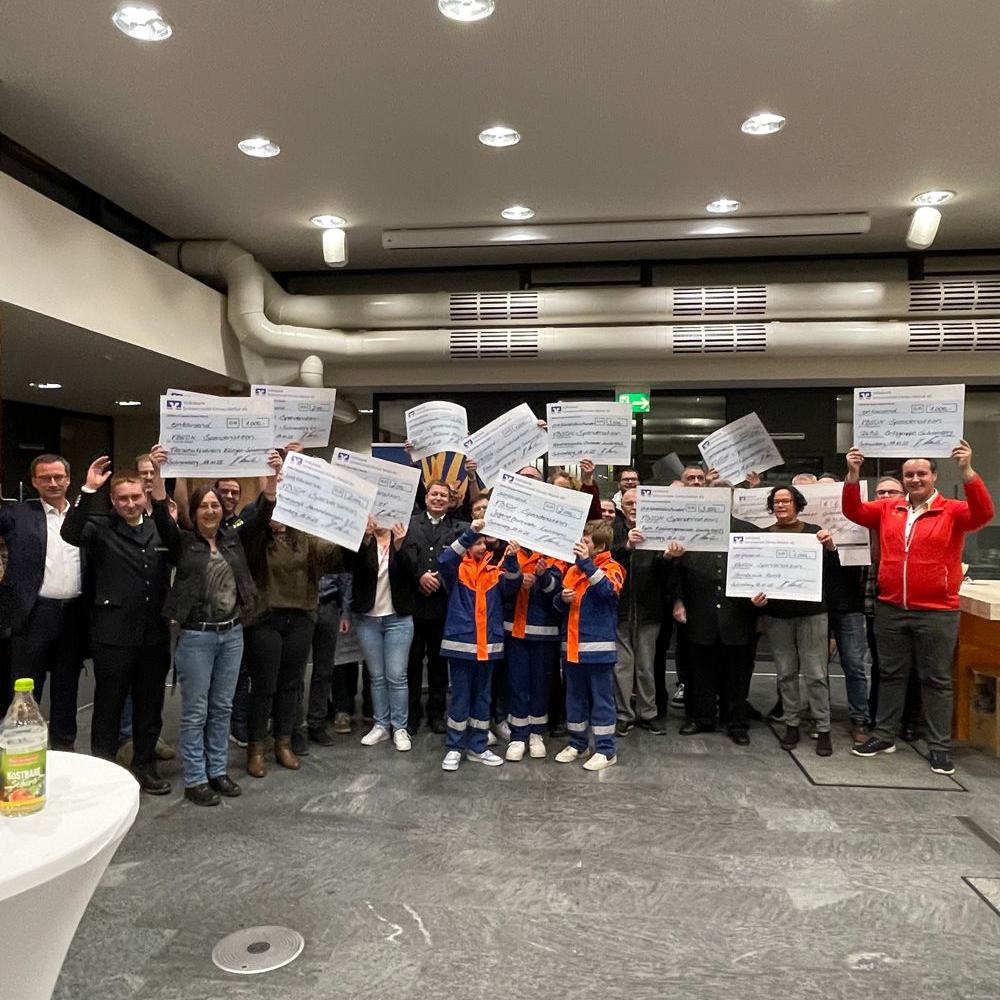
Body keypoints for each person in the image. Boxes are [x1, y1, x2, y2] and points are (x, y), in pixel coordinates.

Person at [844, 441, 994, 775]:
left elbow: (984, 513)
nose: (914, 479)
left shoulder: (953, 510)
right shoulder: (888, 509)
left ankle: (939, 746)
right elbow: (853, 512)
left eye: (921, 473)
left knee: (936, 680)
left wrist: (968, 471)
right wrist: (853, 474)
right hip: (891, 607)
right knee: (891, 675)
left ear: (934, 476)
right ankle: (884, 735)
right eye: (909, 474)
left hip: (938, 610)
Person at [149, 444, 279, 806]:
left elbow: (261, 514)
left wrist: (270, 481)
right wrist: (159, 473)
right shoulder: (183, 543)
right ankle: (195, 778)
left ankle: (217, 771)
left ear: (223, 511)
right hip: (197, 637)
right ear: (194, 512)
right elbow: (161, 515)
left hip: (233, 634)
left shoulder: (233, 538)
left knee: (222, 707)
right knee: (195, 710)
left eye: (215, 505)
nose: (210, 510)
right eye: (204, 505)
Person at [61, 459, 172, 793]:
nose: (129, 504)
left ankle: (144, 764)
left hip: (153, 635)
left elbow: (177, 549)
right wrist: (88, 489)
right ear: (113, 500)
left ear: (144, 496)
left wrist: (163, 493)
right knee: (108, 707)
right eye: (122, 498)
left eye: (135, 497)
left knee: (150, 706)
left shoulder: (157, 528)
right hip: (113, 635)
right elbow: (71, 532)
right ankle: (104, 771)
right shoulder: (99, 526)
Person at [242, 493, 345, 778]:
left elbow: (338, 556)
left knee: (290, 684)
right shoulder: (255, 539)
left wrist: (358, 530)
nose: (278, 516)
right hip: (266, 618)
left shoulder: (306, 540)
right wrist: (269, 496)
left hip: (301, 617)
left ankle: (283, 742)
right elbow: (258, 516)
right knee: (264, 686)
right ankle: (256, 748)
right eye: (274, 510)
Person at [0, 454, 84, 750]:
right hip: (33, 615)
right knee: (24, 691)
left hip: (73, 616)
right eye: (45, 478)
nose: (53, 483)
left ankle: (65, 751)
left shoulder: (80, 516)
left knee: (67, 691)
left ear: (68, 479)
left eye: (58, 477)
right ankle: (20, 752)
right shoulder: (17, 514)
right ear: (34, 482)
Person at [752, 485, 839, 757]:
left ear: (797, 504)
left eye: (786, 501)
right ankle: (791, 724)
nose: (780, 506)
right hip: (777, 616)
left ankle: (823, 728)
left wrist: (831, 547)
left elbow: (834, 573)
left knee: (816, 674)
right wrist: (755, 600)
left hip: (812, 614)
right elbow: (756, 573)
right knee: (786, 673)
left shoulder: (814, 534)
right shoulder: (763, 536)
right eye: (776, 502)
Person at [672, 487, 759, 744]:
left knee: (737, 674)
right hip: (700, 611)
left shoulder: (751, 531)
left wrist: (762, 604)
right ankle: (702, 718)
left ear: (732, 499)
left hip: (739, 614)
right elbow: (677, 571)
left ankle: (736, 723)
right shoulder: (689, 530)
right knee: (700, 671)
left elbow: (764, 570)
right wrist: (677, 600)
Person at [437, 519, 522, 771]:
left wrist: (511, 559)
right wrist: (469, 533)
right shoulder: (456, 569)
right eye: (477, 542)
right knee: (460, 697)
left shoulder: (494, 571)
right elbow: (443, 560)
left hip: (489, 645)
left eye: (484, 541)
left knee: (483, 698)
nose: (482, 545)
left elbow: (513, 585)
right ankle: (454, 747)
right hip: (462, 644)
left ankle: (477, 746)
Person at [553, 520, 625, 771]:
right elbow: (559, 607)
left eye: (585, 542)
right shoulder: (573, 570)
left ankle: (606, 750)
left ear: (600, 546)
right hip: (571, 648)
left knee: (602, 700)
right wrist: (561, 599)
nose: (579, 546)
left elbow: (607, 591)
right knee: (574, 699)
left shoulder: (613, 568)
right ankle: (577, 743)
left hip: (598, 651)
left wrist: (586, 563)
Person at [403, 479, 468, 734]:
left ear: (450, 501)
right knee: (413, 663)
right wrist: (420, 575)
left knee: (439, 666)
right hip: (415, 605)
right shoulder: (410, 524)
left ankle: (437, 714)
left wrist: (439, 578)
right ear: (426, 497)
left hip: (442, 606)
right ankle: (413, 715)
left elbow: (460, 559)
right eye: (434, 494)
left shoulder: (457, 527)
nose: (439, 498)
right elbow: (402, 556)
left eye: (444, 495)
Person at [612, 489, 676, 736]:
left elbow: (667, 573)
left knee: (646, 666)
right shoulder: (614, 529)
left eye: (638, 503)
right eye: (629, 503)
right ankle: (623, 714)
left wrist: (667, 557)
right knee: (622, 666)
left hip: (650, 610)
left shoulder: (659, 529)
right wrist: (627, 545)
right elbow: (608, 557)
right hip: (620, 610)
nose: (634, 507)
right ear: (622, 505)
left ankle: (648, 713)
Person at [863, 476, 923, 738]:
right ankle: (878, 716)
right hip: (875, 604)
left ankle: (910, 720)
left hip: (910, 604)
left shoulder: (911, 525)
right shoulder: (865, 524)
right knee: (881, 665)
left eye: (892, 492)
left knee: (914, 666)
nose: (886, 496)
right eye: (880, 492)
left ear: (904, 496)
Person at [352, 518, 415, 751]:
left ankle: (400, 727)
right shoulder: (363, 540)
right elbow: (351, 567)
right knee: (376, 676)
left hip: (398, 619)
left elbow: (414, 572)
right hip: (368, 619)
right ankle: (381, 724)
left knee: (397, 676)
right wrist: (365, 539)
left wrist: (400, 546)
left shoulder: (403, 538)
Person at [502, 537, 563, 761]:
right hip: (514, 631)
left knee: (540, 685)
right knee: (516, 684)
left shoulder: (555, 554)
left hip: (544, 632)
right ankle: (518, 736)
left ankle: (536, 733)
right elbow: (503, 588)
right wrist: (517, 578)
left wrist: (543, 575)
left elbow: (558, 593)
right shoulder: (512, 552)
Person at [306, 570, 353, 741]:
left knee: (324, 670)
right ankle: (291, 729)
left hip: (328, 606)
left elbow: (345, 576)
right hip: (299, 606)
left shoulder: (336, 542)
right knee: (294, 672)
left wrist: (345, 612)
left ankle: (316, 724)